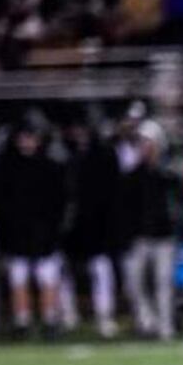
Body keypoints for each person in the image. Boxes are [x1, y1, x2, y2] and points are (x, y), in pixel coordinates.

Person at [0, 118, 67, 338]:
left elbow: (58, 202)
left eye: (31, 137)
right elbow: (1, 204)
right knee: (18, 277)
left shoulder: (50, 167)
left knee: (47, 277)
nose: (27, 142)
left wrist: (54, 230)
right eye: (23, 137)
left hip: (45, 233)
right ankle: (21, 321)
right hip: (17, 234)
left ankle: (50, 320)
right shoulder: (8, 168)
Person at [62, 117, 126, 339]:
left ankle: (104, 315)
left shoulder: (104, 156)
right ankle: (68, 316)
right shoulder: (65, 156)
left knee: (101, 269)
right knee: (67, 271)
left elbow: (112, 194)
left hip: (99, 225)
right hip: (72, 227)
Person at [119, 120, 180, 340]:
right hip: (140, 237)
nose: (146, 147)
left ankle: (166, 326)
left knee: (164, 284)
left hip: (164, 237)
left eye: (149, 143)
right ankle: (147, 321)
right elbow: (125, 208)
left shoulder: (169, 174)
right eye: (142, 143)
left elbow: (177, 203)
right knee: (134, 283)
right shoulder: (132, 176)